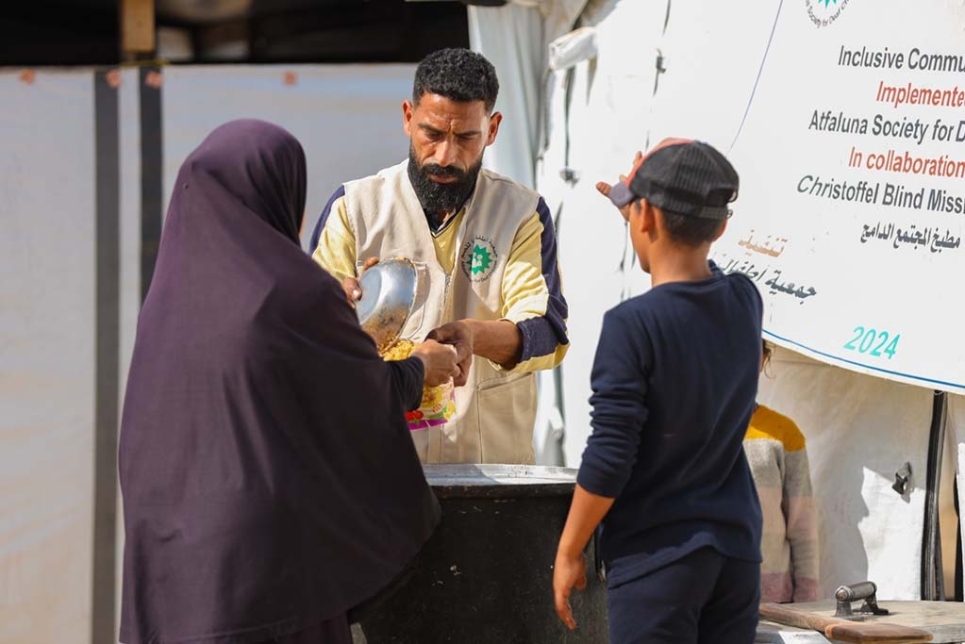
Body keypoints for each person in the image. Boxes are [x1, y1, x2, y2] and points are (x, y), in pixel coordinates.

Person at [118, 119, 466, 644]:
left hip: (168, 558)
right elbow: (354, 399)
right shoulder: (293, 292)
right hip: (262, 573)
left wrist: (337, 309)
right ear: (276, 193)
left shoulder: (165, 304)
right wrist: (420, 367)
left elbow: (275, 384)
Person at [309, 47, 569, 465]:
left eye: (466, 137)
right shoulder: (354, 208)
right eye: (432, 133)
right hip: (378, 468)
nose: (446, 156)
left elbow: (547, 332)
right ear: (408, 117)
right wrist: (354, 307)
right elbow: (308, 334)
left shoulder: (520, 211)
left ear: (493, 128)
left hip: (492, 469)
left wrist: (474, 335)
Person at [552, 139, 764, 643]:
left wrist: (568, 550)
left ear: (644, 217)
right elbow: (693, 286)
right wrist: (646, 209)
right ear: (722, 226)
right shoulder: (745, 301)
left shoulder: (632, 325)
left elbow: (609, 456)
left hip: (658, 561)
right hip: (735, 555)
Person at [744, 340, 819, 603]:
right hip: (709, 598)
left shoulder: (784, 433)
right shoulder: (692, 429)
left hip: (774, 598)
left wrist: (807, 597)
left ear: (764, 360)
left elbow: (802, 526)